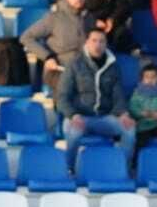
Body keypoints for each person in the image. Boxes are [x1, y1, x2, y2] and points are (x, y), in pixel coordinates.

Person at [56, 29, 135, 171]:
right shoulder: (74, 64)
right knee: (74, 133)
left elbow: (118, 95)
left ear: (106, 44)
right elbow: (62, 96)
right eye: (94, 41)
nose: (97, 45)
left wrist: (123, 114)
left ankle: (122, 169)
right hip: (79, 117)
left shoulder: (113, 66)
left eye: (101, 41)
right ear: (87, 42)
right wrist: (73, 115)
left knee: (129, 129)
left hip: (104, 118)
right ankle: (69, 169)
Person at [20, 0, 92, 96]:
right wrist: (47, 57)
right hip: (59, 68)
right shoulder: (54, 17)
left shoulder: (89, 18)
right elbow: (26, 37)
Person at [128, 62, 157, 149]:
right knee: (139, 142)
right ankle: (136, 161)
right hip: (143, 125)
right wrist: (141, 113)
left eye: (153, 77)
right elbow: (132, 106)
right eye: (147, 77)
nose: (150, 80)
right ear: (142, 79)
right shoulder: (137, 93)